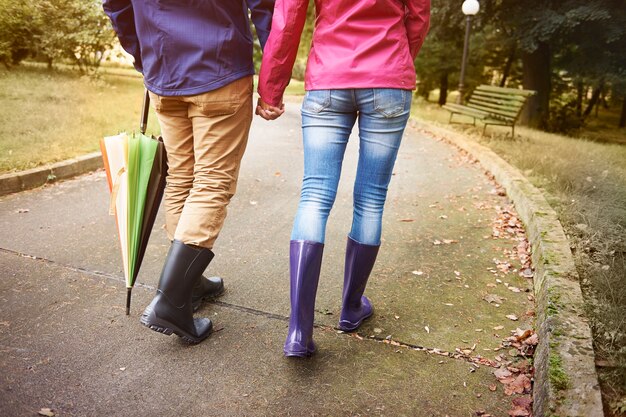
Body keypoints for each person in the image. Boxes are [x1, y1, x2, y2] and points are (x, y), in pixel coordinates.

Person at [257, 0, 430, 357]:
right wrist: (396, 63)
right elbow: (418, 17)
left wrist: (272, 87)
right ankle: (351, 309)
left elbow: (288, 18)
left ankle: (298, 332)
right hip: (387, 80)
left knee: (314, 196)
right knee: (370, 198)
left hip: (329, 78)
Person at [103, 0, 274, 343]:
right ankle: (171, 301)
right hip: (220, 68)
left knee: (182, 177)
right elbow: (265, 7)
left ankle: (190, 283)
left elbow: (116, 5)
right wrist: (274, 77)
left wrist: (145, 57)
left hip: (163, 71)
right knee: (212, 181)